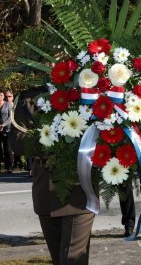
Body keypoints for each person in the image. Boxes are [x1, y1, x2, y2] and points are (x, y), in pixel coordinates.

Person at [9, 87, 95, 265]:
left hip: (79, 191)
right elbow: (16, 141)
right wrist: (51, 139)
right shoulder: (29, 98)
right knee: (59, 260)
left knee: (72, 260)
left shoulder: (86, 89)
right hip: (46, 192)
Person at [0, 89, 13, 173]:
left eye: (1, 95)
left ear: (3, 96)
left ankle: (9, 167)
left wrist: (3, 125)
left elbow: (11, 117)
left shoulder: (8, 104)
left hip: (6, 129)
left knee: (7, 149)